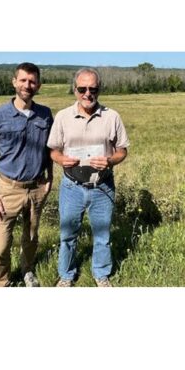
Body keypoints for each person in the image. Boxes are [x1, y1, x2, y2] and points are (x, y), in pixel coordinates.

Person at [48, 67, 129, 287]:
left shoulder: (112, 116)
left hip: (102, 186)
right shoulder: (63, 116)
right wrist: (60, 159)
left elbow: (122, 149)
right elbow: (53, 149)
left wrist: (110, 160)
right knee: (67, 234)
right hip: (71, 186)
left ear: (99, 89)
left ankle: (101, 274)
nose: (87, 93)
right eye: (82, 88)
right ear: (74, 89)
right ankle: (66, 275)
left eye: (92, 89)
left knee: (102, 235)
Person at [0, 62, 53, 287]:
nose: (27, 85)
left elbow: (50, 149)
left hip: (36, 187)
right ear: (14, 82)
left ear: (38, 85)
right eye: (23, 80)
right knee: (1, 244)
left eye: (32, 81)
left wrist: (50, 177)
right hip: (8, 189)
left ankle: (27, 270)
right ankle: (2, 282)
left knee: (30, 237)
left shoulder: (45, 114)